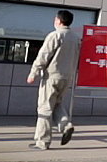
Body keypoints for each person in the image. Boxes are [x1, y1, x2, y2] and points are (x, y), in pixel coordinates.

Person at [26, 9, 80, 150]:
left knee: (44, 108)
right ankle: (66, 125)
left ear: (59, 21)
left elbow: (43, 55)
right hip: (67, 77)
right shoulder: (75, 38)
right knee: (57, 104)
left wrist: (33, 73)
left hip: (51, 76)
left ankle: (42, 142)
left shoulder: (55, 35)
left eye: (55, 19)